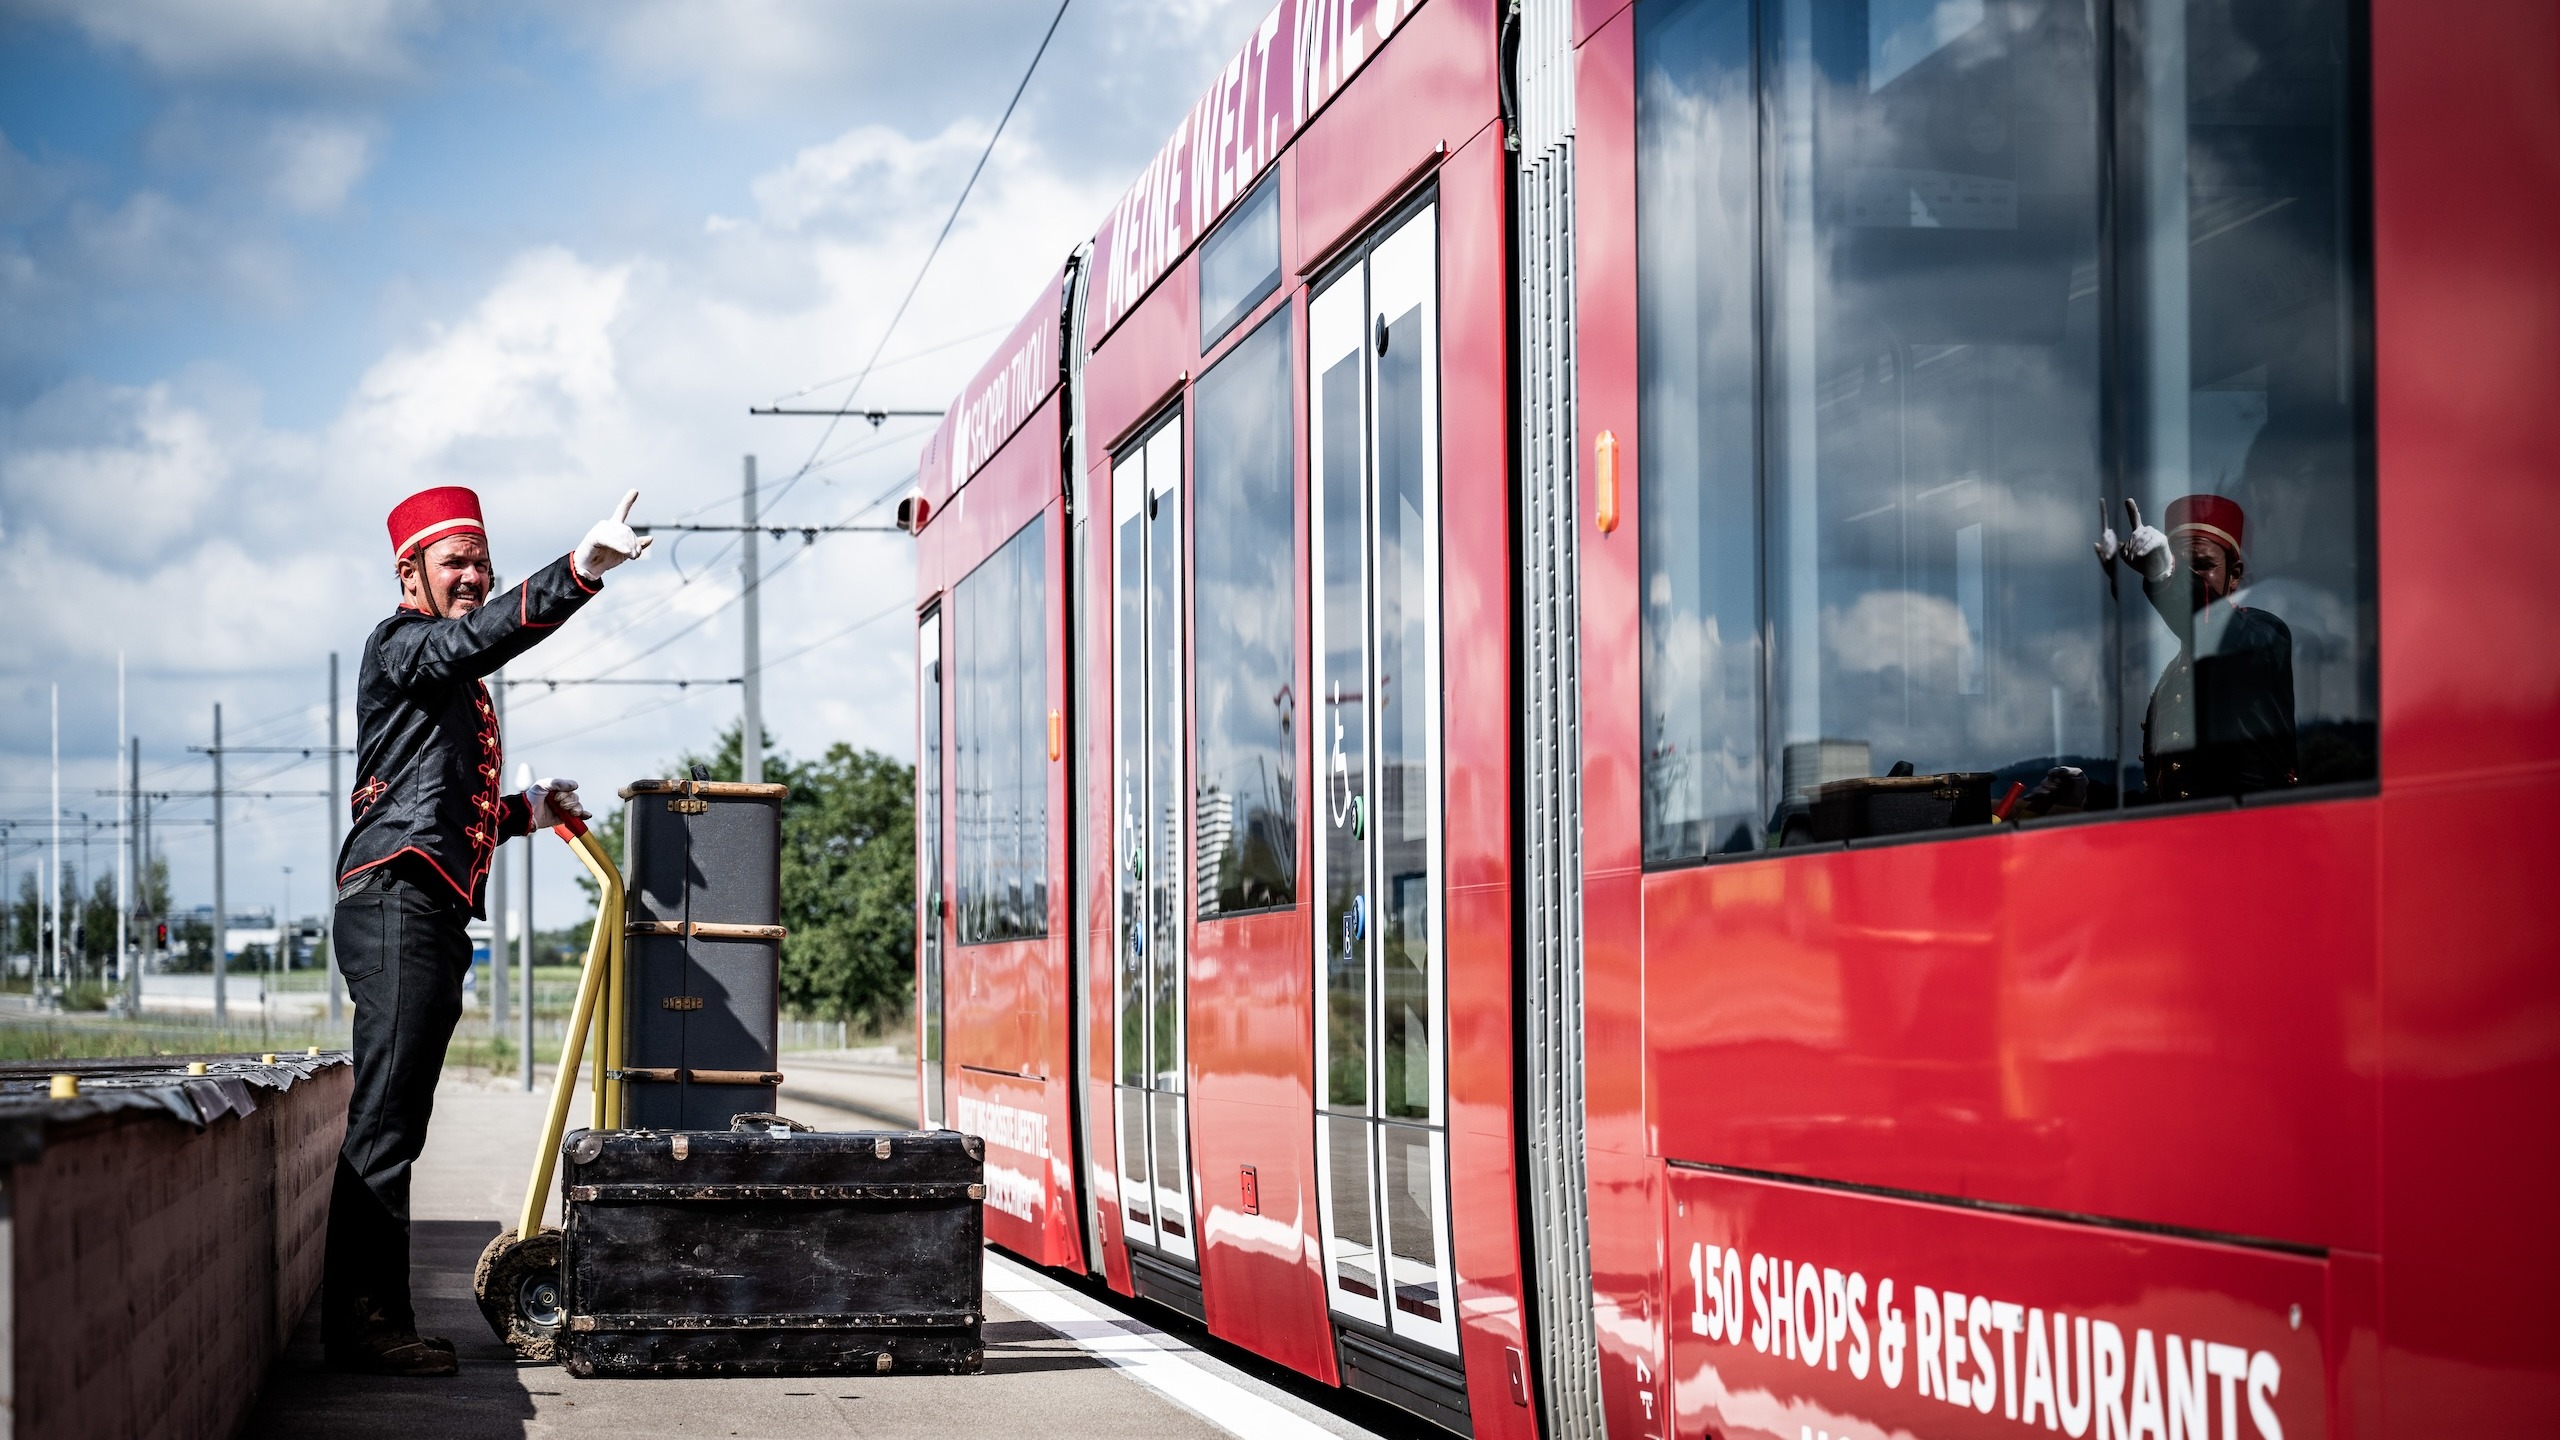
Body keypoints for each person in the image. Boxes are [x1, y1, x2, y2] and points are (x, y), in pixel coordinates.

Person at [324, 485, 652, 1375]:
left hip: (422, 901)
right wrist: (579, 572)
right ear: (411, 574)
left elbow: (435, 802)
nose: (472, 577)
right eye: (454, 563)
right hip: (397, 899)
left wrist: (525, 812)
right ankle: (365, 1324)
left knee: (401, 1117)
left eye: (481, 563)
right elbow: (479, 638)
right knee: (386, 1123)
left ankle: (371, 1316)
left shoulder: (448, 673)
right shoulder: (402, 646)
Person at [2095, 494, 2297, 802]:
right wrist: (2088, 796)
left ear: (2235, 576)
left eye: (2203, 566)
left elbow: (2223, 632)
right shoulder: (2173, 673)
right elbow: (2168, 802)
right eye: (2181, 566)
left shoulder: (2263, 635)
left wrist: (2166, 574)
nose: (2190, 575)